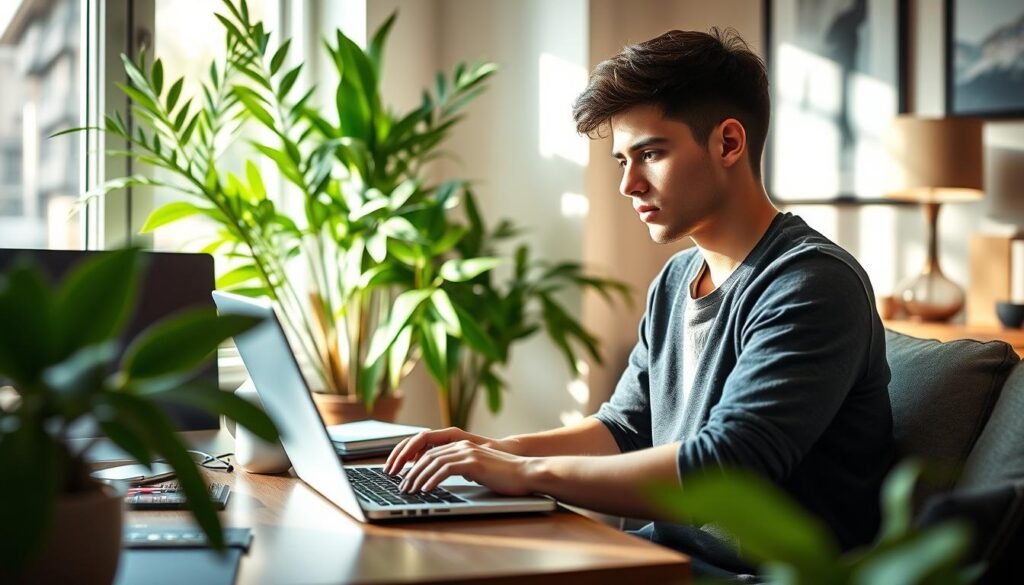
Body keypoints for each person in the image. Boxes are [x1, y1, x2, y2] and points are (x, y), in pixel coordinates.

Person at [385, 28, 893, 578]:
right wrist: (490, 451)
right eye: (621, 160)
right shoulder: (677, 279)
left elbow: (723, 473)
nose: (628, 184)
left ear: (728, 143)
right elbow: (622, 428)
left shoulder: (811, 283)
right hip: (663, 557)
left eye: (650, 154)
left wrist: (527, 471)